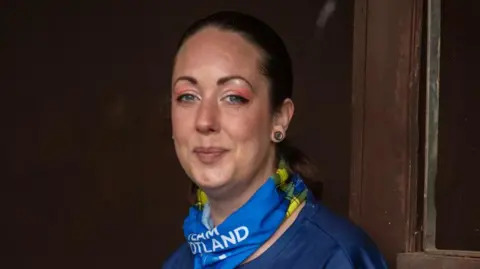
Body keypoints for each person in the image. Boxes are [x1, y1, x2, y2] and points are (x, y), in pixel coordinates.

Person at [163, 10, 387, 269]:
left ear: (279, 118)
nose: (205, 121)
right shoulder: (178, 264)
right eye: (187, 96)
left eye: (234, 97)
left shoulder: (338, 258)